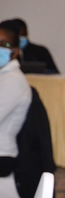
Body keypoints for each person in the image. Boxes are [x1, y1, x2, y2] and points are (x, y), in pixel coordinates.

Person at [0, 21, 32, 181]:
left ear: (15, 51)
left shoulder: (13, 80)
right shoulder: (3, 75)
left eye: (3, 44)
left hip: (3, 154)